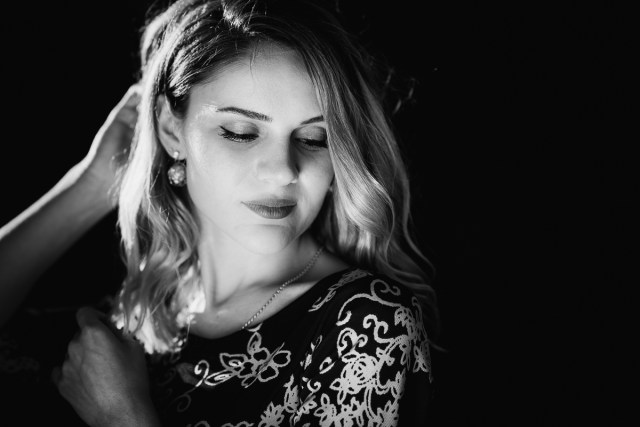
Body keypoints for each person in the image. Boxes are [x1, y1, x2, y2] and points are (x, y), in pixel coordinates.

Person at [0, 0, 439, 425]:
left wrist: (122, 416)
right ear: (172, 129)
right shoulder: (136, 317)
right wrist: (94, 185)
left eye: (314, 139)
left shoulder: (368, 325)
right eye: (241, 132)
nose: (283, 171)